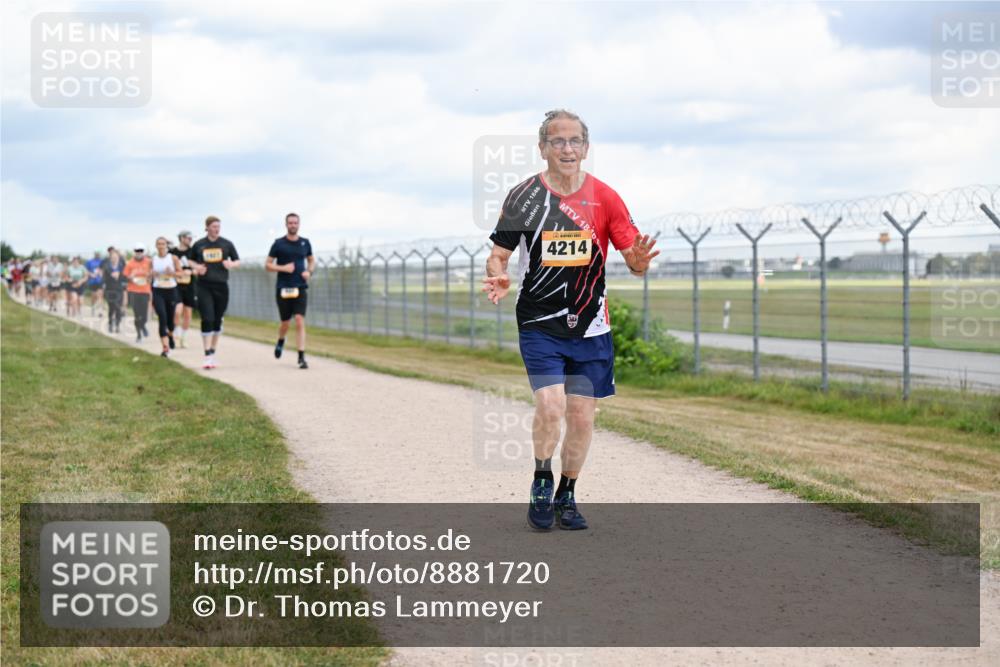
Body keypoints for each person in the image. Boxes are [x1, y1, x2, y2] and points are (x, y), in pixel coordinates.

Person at [483, 109, 659, 531]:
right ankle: (542, 480)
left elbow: (634, 259)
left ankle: (567, 492)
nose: (567, 148)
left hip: (590, 327)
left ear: (586, 147)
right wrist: (498, 275)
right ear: (542, 148)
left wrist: (639, 262)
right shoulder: (524, 197)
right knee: (550, 405)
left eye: (575, 141)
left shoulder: (606, 198)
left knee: (581, 416)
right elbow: (498, 254)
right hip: (540, 323)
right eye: (557, 141)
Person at [190, 216, 240, 369]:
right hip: (204, 285)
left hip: (221, 286)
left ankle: (212, 350)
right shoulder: (199, 244)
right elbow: (190, 261)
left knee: (217, 319)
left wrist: (230, 264)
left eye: (218, 226)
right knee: (207, 318)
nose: (216, 229)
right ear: (207, 227)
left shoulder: (226, 244)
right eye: (213, 226)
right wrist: (197, 267)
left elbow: (237, 261)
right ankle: (207, 354)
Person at [266, 212, 314, 369]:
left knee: (299, 320)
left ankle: (301, 357)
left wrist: (309, 271)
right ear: (286, 225)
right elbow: (268, 265)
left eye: (295, 223)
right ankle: (281, 340)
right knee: (285, 323)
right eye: (290, 223)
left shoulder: (305, 243)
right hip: (283, 288)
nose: (293, 225)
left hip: (300, 287)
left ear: (299, 224)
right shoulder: (278, 244)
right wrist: (283, 268)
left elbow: (311, 260)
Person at [150, 237, 183, 357]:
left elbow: (181, 274)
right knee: (162, 317)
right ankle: (165, 348)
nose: (161, 246)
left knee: (170, 320)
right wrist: (151, 274)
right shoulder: (153, 259)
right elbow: (147, 276)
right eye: (158, 244)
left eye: (163, 244)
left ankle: (171, 335)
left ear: (166, 246)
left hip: (171, 290)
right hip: (158, 290)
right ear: (156, 246)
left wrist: (172, 273)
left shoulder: (173, 258)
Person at [170, 230, 197, 348]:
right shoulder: (172, 252)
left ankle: (183, 337)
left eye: (191, 238)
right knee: (177, 311)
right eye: (188, 238)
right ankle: (176, 332)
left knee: (188, 313)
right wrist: (178, 272)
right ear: (181, 238)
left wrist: (191, 271)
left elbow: (199, 268)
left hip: (190, 286)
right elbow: (167, 267)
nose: (190, 240)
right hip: (175, 285)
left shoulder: (194, 252)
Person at [123, 244, 153, 342]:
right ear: (134, 252)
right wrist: (130, 277)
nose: (139, 253)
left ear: (143, 252)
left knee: (144, 315)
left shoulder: (148, 262)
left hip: (145, 290)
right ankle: (139, 335)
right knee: (137, 314)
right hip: (133, 291)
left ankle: (143, 325)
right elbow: (124, 277)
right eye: (137, 251)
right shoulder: (130, 263)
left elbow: (153, 273)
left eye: (141, 251)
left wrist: (150, 276)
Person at [101, 247, 127, 333]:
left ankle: (117, 325)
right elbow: (104, 279)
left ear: (118, 258)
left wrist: (119, 275)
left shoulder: (122, 267)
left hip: (119, 290)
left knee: (118, 307)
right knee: (111, 308)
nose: (114, 259)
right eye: (112, 257)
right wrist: (111, 276)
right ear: (110, 258)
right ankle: (110, 323)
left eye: (116, 257)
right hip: (109, 290)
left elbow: (125, 278)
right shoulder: (107, 267)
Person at [85, 251, 104, 317]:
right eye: (96, 254)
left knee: (100, 296)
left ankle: (100, 311)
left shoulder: (102, 261)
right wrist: (91, 274)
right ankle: (93, 307)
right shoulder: (89, 262)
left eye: (98, 254)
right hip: (92, 281)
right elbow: (86, 270)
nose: (97, 255)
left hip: (100, 281)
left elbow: (104, 269)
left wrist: (101, 273)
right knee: (94, 296)